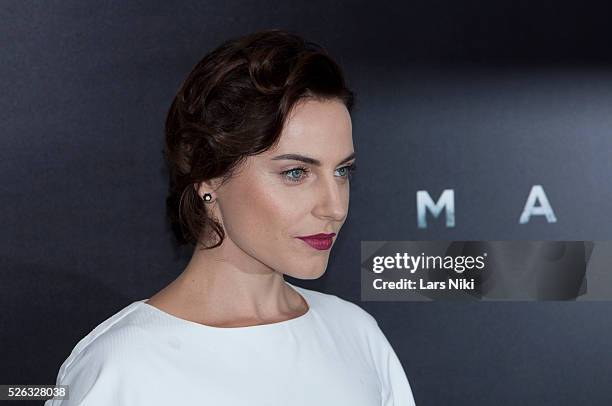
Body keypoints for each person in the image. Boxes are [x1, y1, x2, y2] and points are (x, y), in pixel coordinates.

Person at [45, 28, 416, 406]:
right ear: (209, 177)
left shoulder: (355, 334)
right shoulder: (124, 367)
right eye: (296, 173)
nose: (334, 207)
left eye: (342, 171)